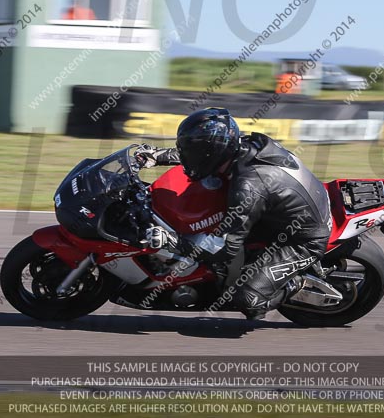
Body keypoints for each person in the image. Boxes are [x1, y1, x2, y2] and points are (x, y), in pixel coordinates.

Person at [134, 107, 332, 320]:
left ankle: (296, 283)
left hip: (303, 239)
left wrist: (173, 241)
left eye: (194, 151)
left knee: (248, 301)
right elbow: (205, 153)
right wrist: (158, 156)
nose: (189, 156)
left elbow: (225, 247)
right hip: (282, 211)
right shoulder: (240, 147)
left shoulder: (248, 188)